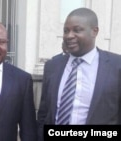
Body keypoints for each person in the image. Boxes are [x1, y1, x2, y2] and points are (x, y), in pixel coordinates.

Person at [37, 7, 121, 141]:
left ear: (95, 31)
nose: (69, 36)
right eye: (66, 31)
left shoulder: (116, 66)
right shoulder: (53, 66)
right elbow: (44, 113)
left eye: (77, 30)